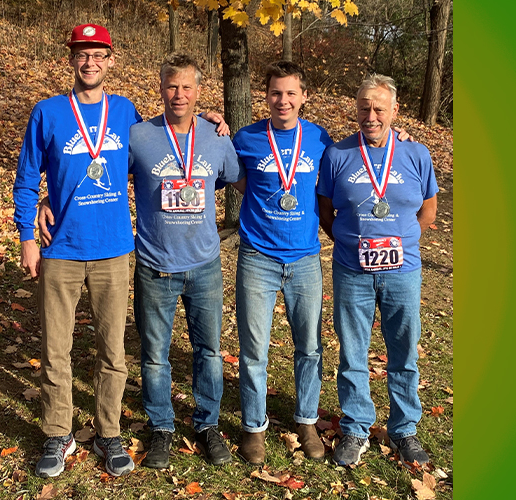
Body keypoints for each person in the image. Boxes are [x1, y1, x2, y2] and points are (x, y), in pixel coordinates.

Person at [13, 24, 227, 479]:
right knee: (56, 349)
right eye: (82, 55)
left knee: (113, 350)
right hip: (61, 250)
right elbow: (28, 177)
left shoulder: (126, 112)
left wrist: (209, 118)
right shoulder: (47, 113)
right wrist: (28, 236)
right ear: (72, 59)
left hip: (114, 250)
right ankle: (58, 432)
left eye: (98, 55)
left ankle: (109, 430)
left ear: (111, 60)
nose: (89, 63)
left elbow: (168, 136)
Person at [317, 74, 438, 467]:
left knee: (403, 351)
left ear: (394, 111)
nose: (371, 115)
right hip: (352, 270)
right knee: (352, 351)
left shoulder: (416, 153)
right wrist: (351, 242)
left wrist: (401, 239)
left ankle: (404, 429)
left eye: (379, 108)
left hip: (404, 270)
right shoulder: (337, 155)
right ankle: (355, 427)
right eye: (364, 107)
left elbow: (429, 210)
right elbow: (325, 212)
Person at [128, 54, 242, 469]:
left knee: (209, 351)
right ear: (161, 88)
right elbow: (99, 174)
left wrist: (222, 126)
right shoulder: (138, 136)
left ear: (199, 90)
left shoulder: (215, 135)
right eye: (172, 86)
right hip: (155, 264)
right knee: (155, 354)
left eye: (187, 87)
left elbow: (235, 177)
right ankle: (161, 427)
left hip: (205, 265)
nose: (179, 94)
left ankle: (207, 423)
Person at [229, 61, 333, 465]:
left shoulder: (321, 139)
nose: (283, 100)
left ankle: (306, 420)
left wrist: (401, 133)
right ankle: (254, 427)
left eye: (291, 93)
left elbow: (361, 151)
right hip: (257, 257)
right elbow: (236, 177)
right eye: (275, 93)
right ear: (265, 96)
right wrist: (211, 121)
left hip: (305, 258)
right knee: (254, 349)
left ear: (303, 97)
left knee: (309, 346)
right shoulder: (247, 138)